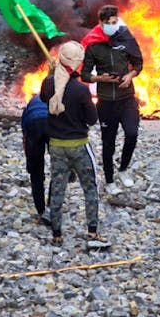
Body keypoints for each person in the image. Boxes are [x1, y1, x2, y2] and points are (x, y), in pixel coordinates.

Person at [41, 42, 111, 249]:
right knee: (90, 188)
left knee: (58, 188)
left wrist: (50, 74)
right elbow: (91, 119)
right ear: (78, 64)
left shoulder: (48, 83)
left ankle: (57, 234)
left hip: (56, 145)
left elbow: (46, 99)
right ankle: (92, 231)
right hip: (79, 145)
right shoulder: (81, 90)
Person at [82, 5, 144, 195]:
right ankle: (109, 180)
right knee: (108, 142)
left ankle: (123, 169)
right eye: (108, 23)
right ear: (100, 23)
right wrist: (99, 79)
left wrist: (130, 75)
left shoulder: (125, 37)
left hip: (127, 99)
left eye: (114, 21)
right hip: (106, 101)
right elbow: (84, 74)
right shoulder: (93, 44)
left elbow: (139, 63)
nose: (112, 25)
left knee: (132, 133)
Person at [21, 94, 51, 225]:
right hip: (52, 124)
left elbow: (25, 131)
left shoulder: (32, 102)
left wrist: (30, 161)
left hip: (32, 125)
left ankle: (41, 210)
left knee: (36, 174)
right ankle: (53, 204)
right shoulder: (58, 97)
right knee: (58, 168)